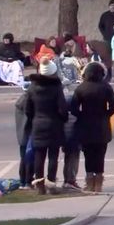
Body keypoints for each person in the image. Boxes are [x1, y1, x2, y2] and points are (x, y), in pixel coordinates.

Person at [71, 62, 114, 193]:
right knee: (100, 154)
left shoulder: (81, 88)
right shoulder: (106, 87)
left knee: (88, 155)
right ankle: (99, 182)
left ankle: (89, 181)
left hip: (85, 125)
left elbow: (73, 108)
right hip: (102, 125)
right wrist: (106, 115)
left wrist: (81, 115)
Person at [26, 59, 68, 195]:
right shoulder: (56, 87)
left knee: (39, 155)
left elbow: (28, 109)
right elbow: (62, 108)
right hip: (54, 124)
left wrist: (34, 119)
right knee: (53, 156)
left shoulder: (32, 87)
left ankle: (40, 186)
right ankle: (51, 183)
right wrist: (63, 119)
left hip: (38, 124)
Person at [14, 91, 33, 189]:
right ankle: (28, 181)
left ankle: (23, 181)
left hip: (22, 136)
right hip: (28, 134)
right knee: (29, 158)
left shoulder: (20, 102)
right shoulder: (27, 101)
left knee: (24, 158)